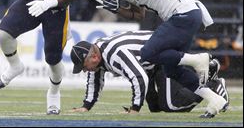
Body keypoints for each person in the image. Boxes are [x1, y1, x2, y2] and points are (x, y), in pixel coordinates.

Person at [94, 0, 228, 117]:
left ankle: (199, 60)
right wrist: (117, 8)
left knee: (147, 54)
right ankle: (215, 98)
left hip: (183, 13)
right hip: (181, 16)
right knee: (172, 69)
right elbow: (138, 15)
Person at [69, 31, 229, 117]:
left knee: (171, 105)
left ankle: (213, 84)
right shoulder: (98, 55)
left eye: (84, 66)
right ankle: (205, 73)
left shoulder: (116, 53)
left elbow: (139, 78)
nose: (84, 70)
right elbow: (94, 80)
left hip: (163, 55)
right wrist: (86, 107)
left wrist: (134, 109)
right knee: (155, 107)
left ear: (95, 57)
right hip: (151, 64)